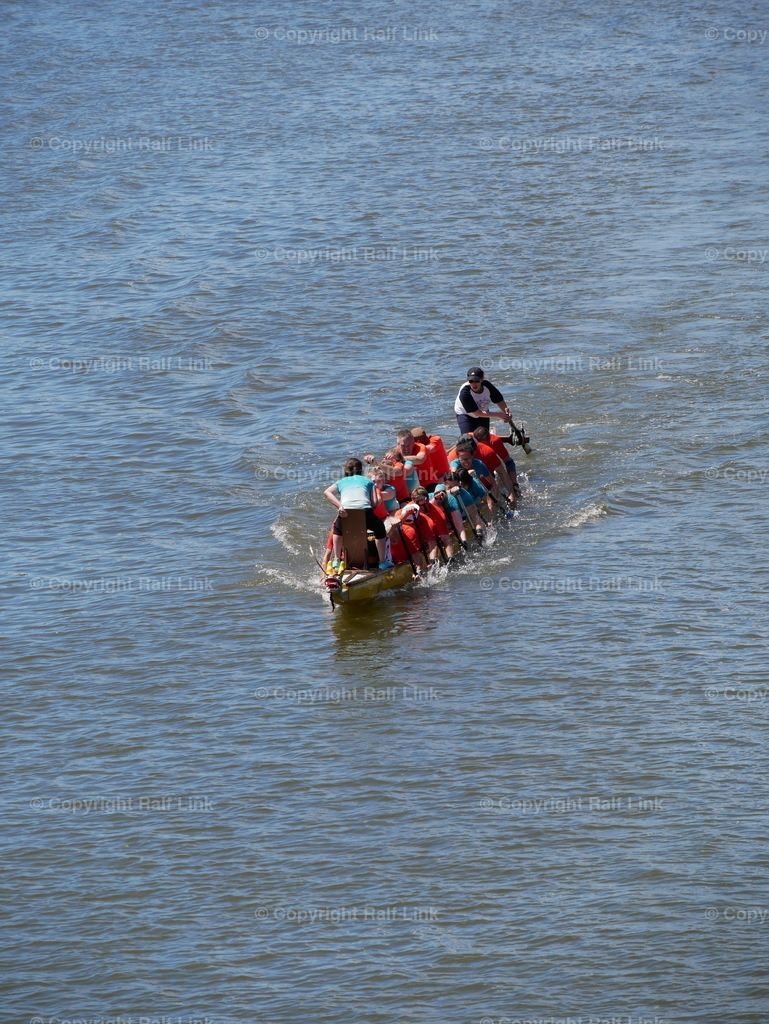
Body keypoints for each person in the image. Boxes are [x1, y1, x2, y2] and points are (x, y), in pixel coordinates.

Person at [323, 458, 393, 570]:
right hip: (365, 510)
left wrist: (340, 506)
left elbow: (327, 492)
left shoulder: (341, 481)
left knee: (337, 530)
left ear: (346, 470)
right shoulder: (368, 481)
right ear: (361, 470)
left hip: (346, 511)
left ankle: (336, 560)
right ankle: (383, 562)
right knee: (380, 530)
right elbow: (374, 502)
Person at [454, 366, 513, 435]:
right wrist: (499, 415)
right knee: (468, 438)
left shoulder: (488, 386)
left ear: (482, 379)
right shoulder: (465, 392)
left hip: (483, 411)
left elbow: (499, 401)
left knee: (484, 437)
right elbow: (477, 413)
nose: (474, 384)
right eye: (471, 381)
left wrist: (506, 413)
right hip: (465, 413)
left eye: (477, 381)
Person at [473, 425, 520, 505]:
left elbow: (509, 462)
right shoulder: (470, 441)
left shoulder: (495, 441)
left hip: (490, 469)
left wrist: (514, 484)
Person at [412, 486, 453, 559]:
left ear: (428, 500)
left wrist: (451, 558)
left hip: (432, 536)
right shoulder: (409, 510)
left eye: (425, 504)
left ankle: (449, 559)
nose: (422, 507)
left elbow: (446, 538)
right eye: (419, 505)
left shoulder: (438, 513)